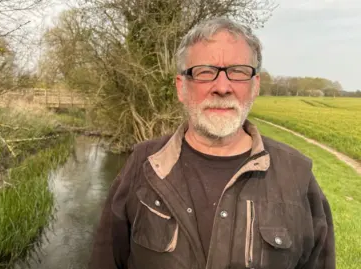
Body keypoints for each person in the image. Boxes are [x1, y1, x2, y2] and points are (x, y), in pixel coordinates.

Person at [88, 17, 335, 269]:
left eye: (238, 72)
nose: (222, 87)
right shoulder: (143, 165)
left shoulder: (297, 176)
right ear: (181, 88)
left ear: (255, 86)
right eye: (205, 72)